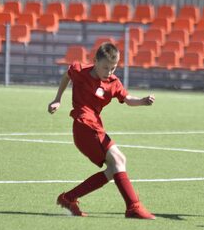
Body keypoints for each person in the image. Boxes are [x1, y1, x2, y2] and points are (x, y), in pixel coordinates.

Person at [48, 42, 156, 220]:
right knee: (118, 160)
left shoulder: (113, 83)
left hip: (95, 127)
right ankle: (133, 207)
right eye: (105, 67)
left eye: (113, 68)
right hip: (84, 126)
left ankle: (69, 198)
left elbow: (127, 99)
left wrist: (142, 101)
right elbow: (67, 76)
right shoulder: (80, 71)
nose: (109, 72)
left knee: (117, 165)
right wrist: (57, 99)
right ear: (95, 61)